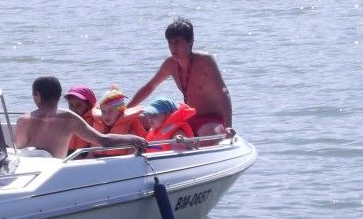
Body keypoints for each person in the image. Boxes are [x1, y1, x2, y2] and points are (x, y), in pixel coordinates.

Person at [127, 18, 232, 136]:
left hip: (211, 118)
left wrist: (228, 126)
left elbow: (223, 91)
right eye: (170, 43)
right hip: (187, 116)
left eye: (177, 42)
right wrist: (126, 110)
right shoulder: (170, 64)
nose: (173, 47)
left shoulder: (205, 61)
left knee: (207, 132)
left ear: (190, 41)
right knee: (139, 118)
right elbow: (150, 87)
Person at [15, 76, 147, 159]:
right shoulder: (68, 118)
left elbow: (20, 151)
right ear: (59, 95)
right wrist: (134, 139)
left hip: (28, 174)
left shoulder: (22, 120)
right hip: (53, 175)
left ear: (37, 95)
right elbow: (104, 140)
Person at [65, 84, 98, 154]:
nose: (74, 110)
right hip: (70, 156)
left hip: (85, 156)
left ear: (88, 105)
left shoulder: (96, 120)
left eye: (78, 105)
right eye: (71, 105)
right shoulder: (67, 120)